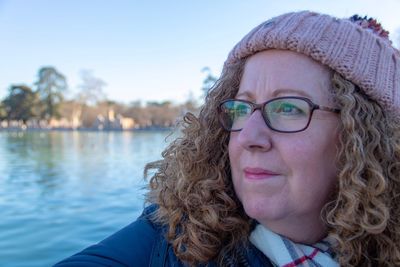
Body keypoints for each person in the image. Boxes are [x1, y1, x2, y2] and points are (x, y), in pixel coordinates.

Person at [55, 11, 400, 267]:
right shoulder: (171, 239)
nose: (247, 136)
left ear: (364, 139)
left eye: (288, 108)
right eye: (241, 108)